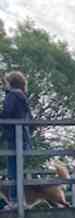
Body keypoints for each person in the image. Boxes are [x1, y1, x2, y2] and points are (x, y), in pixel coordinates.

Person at [1, 71, 32, 208]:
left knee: (13, 170)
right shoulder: (22, 96)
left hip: (14, 136)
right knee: (19, 169)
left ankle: (14, 201)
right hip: (23, 138)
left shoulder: (12, 96)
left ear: (10, 83)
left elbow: (7, 114)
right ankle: (21, 201)